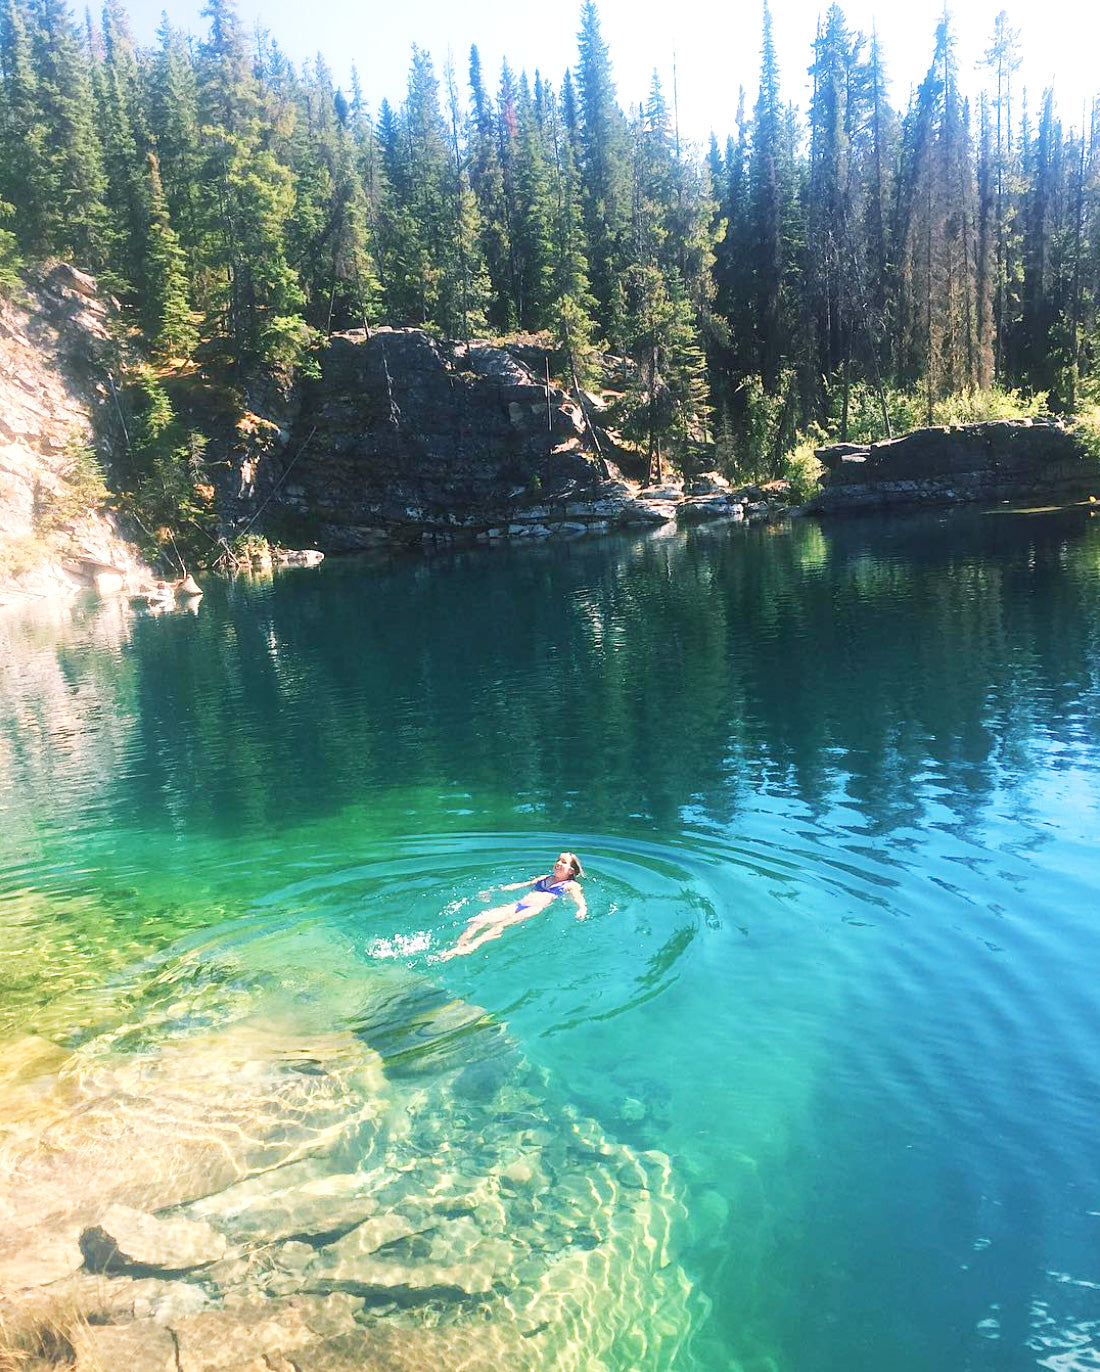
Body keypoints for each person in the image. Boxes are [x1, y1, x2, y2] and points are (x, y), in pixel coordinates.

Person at [439, 852, 587, 960]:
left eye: (563, 862)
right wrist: (494, 890)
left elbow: (578, 898)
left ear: (571, 870)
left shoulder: (571, 885)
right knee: (481, 919)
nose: (558, 863)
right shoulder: (544, 878)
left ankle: (473, 946)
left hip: (533, 909)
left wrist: (582, 909)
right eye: (558, 860)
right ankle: (460, 944)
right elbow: (521, 885)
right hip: (517, 905)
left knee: (500, 926)